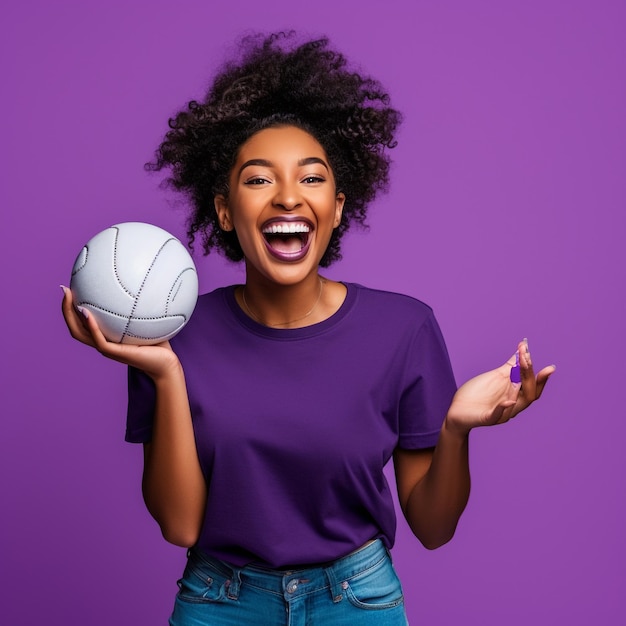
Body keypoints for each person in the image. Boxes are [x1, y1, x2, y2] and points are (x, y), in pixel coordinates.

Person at [61, 32, 554, 626]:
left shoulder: (404, 328)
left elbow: (434, 528)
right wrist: (164, 372)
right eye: (259, 179)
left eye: (311, 178)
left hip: (359, 603)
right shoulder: (174, 336)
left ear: (339, 207)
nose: (288, 196)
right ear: (224, 209)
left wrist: (454, 429)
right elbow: (181, 525)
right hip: (220, 603)